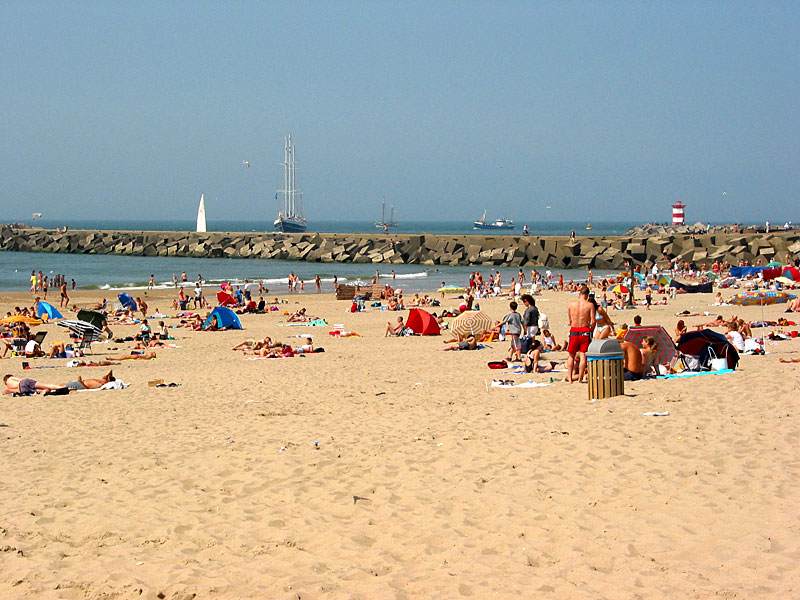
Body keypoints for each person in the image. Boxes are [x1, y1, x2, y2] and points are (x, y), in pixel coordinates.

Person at [566, 286, 595, 383]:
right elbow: (593, 321)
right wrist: (591, 330)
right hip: (584, 330)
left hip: (574, 330)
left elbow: (570, 320)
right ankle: (580, 378)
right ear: (587, 295)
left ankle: (570, 378)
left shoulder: (571, 304)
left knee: (571, 356)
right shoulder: (590, 305)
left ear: (579, 294)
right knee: (583, 356)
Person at [4, 374, 68, 395]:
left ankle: (43, 391)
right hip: (23, 383)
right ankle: (61, 388)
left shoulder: (7, 388)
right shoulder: (10, 378)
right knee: (45, 385)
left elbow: (17, 392)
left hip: (22, 390)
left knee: (38, 391)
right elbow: (20, 380)